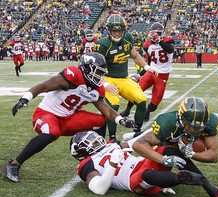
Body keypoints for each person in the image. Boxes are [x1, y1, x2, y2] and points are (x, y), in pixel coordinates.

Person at [6, 52, 135, 183]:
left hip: (68, 119)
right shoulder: (73, 76)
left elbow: (107, 110)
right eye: (97, 72)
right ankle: (15, 163)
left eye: (101, 73)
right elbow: (44, 86)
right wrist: (25, 98)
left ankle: (96, 160)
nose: (100, 77)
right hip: (46, 114)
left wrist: (121, 120)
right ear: (87, 68)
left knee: (100, 121)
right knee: (52, 132)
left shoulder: (96, 89)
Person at [123, 96, 218, 197]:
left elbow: (214, 155)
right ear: (181, 118)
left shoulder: (210, 122)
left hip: (177, 144)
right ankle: (134, 135)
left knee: (179, 150)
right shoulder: (167, 123)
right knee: (126, 145)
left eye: (199, 127)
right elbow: (138, 144)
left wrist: (191, 154)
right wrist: (164, 159)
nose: (195, 130)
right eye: (191, 126)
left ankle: (207, 185)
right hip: (163, 143)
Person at [70, 130, 204, 196]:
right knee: (146, 175)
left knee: (166, 150)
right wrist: (112, 164)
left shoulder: (111, 145)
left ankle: (202, 178)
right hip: (134, 180)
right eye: (90, 141)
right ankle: (181, 178)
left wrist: (142, 132)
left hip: (144, 163)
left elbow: (135, 143)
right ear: (81, 151)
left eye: (94, 138)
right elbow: (99, 189)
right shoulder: (87, 164)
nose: (97, 140)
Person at [94, 14, 158, 141]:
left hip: (124, 78)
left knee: (141, 99)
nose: (117, 34)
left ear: (124, 30)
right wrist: (105, 84)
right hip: (108, 78)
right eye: (114, 31)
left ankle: (137, 131)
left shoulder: (128, 38)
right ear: (109, 30)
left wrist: (146, 67)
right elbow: (94, 69)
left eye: (119, 31)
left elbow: (134, 55)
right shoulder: (102, 44)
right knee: (114, 106)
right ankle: (112, 138)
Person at [120, 22, 175, 122]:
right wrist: (139, 74)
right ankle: (127, 110)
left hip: (162, 76)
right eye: (154, 33)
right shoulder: (148, 45)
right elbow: (148, 64)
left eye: (158, 33)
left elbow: (170, 50)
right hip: (151, 73)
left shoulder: (168, 40)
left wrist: (159, 42)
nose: (156, 35)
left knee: (154, 105)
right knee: (136, 91)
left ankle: (147, 111)